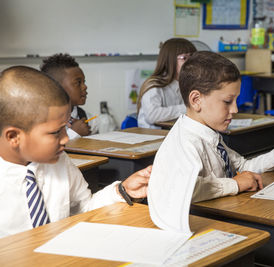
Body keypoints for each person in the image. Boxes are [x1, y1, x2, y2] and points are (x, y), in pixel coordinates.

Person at [0, 66, 151, 238]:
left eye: (65, 128)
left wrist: (122, 191)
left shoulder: (60, 161)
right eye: (56, 132)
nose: (66, 138)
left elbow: (85, 209)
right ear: (13, 137)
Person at [149, 51, 274, 203]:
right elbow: (184, 189)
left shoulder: (210, 135)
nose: (235, 109)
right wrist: (234, 184)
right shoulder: (186, 142)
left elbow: (243, 167)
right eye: (228, 101)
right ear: (196, 100)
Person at [40, 53, 106, 139]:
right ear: (56, 87)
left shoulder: (89, 120)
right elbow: (45, 149)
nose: (85, 87)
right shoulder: (41, 120)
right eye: (78, 82)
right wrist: (74, 133)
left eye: (84, 82)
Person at [137, 38, 197, 128]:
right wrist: (188, 108)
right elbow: (153, 115)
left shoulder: (188, 84)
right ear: (170, 60)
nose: (190, 62)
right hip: (152, 135)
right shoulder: (154, 85)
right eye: (184, 58)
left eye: (192, 57)